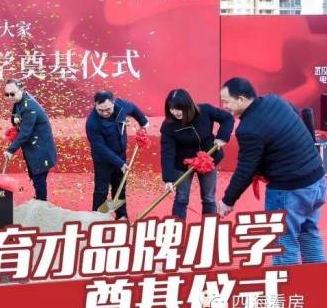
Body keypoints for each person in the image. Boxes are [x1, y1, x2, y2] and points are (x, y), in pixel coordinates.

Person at [217, 77, 326, 265]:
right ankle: (319, 281)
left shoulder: (248, 128)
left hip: (290, 191)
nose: (225, 106)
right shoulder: (274, 100)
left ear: (241, 99)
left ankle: (289, 284)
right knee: (309, 234)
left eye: (227, 102)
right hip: (316, 180)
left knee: (284, 244)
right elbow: (294, 114)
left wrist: (228, 201)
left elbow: (246, 169)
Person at [160, 89, 234, 220]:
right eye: (172, 109)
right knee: (181, 197)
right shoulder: (168, 126)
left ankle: (209, 227)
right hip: (183, 164)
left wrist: (222, 137)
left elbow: (227, 118)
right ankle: (177, 228)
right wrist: (168, 179)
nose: (175, 112)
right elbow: (167, 152)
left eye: (179, 108)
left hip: (207, 159)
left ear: (188, 106)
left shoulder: (204, 111)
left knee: (208, 197)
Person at [85, 90, 149, 219]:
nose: (104, 113)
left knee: (120, 187)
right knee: (101, 190)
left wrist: (143, 122)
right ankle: (97, 218)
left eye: (108, 109)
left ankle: (121, 215)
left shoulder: (121, 106)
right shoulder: (92, 122)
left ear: (113, 103)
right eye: (100, 110)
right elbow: (100, 147)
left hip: (120, 154)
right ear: (95, 105)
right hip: (103, 160)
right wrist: (120, 163)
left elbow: (133, 108)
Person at [3, 79, 57, 201]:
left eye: (12, 94)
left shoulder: (29, 107)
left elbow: (25, 133)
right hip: (32, 147)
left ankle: (42, 204)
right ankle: (39, 200)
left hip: (41, 149)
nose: (10, 97)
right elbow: (17, 121)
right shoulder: (19, 100)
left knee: (39, 179)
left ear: (21, 90)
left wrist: (11, 150)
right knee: (34, 176)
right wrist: (15, 129)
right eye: (7, 94)